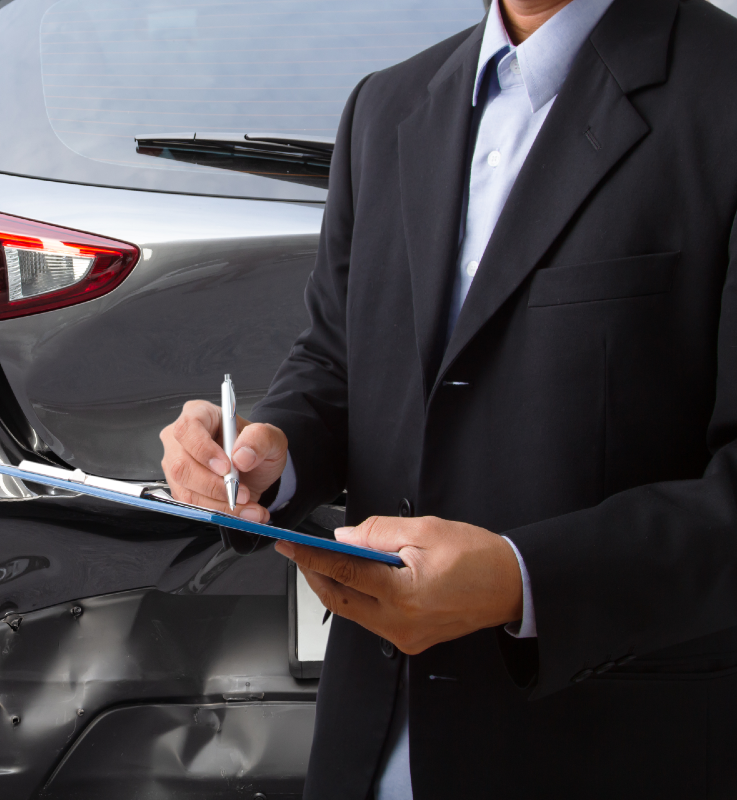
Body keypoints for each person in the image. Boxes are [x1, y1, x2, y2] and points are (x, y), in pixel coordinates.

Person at [159, 0, 737, 796]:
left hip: (613, 746)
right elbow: (336, 361)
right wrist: (262, 460)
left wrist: (521, 580)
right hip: (373, 745)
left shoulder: (722, 93)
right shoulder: (388, 104)